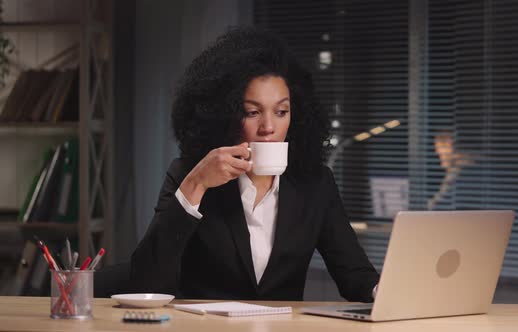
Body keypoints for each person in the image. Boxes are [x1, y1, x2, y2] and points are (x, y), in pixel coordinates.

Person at [129, 26, 379, 302]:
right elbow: (146, 281)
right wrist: (197, 184)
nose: (268, 127)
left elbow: (355, 275)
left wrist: (384, 292)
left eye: (281, 112)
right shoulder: (189, 176)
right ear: (223, 115)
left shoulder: (315, 184)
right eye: (252, 112)